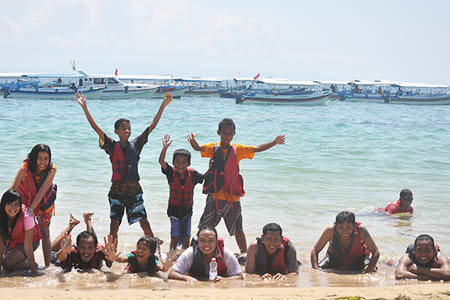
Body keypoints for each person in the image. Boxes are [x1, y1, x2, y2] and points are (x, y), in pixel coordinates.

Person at [75, 92, 171, 243]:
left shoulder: (137, 144)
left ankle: (154, 248)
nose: (127, 131)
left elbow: (152, 126)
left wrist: (163, 106)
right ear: (116, 132)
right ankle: (112, 256)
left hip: (134, 191)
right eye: (123, 128)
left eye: (128, 128)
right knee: (114, 225)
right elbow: (95, 128)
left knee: (144, 222)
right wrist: (85, 108)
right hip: (116, 192)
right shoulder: (112, 146)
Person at [188, 118, 285, 254]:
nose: (227, 135)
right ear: (218, 132)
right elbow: (198, 148)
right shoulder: (212, 148)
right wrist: (192, 141)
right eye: (224, 132)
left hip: (232, 199)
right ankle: (194, 251)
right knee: (205, 227)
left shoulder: (238, 149)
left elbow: (256, 149)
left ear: (234, 134)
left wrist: (274, 142)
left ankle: (245, 254)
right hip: (214, 197)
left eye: (230, 133)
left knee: (238, 229)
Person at [9, 144, 57, 267]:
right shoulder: (24, 170)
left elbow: (42, 192)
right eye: (40, 158)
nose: (43, 162)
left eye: (46, 158)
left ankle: (47, 266)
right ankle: (27, 262)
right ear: (34, 158)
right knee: (20, 231)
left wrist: (31, 209)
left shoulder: (52, 170)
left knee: (45, 232)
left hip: (43, 203)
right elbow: (13, 189)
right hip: (24, 201)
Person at [159, 134, 204, 251]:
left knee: (186, 237)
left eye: (184, 162)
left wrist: (212, 165)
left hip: (187, 210)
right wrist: (165, 147)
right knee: (174, 236)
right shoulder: (170, 173)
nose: (180, 164)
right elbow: (161, 161)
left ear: (188, 163)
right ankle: (172, 256)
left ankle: (185, 256)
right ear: (173, 163)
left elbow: (205, 178)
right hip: (173, 209)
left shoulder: (193, 174)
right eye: (177, 162)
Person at [310, 211, 380, 273]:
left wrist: (368, 272)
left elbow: (375, 252)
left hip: (358, 259)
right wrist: (316, 271)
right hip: (334, 259)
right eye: (341, 227)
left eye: (348, 227)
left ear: (354, 226)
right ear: (336, 226)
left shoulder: (361, 230)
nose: (344, 231)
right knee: (320, 269)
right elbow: (315, 251)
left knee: (373, 270)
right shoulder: (330, 231)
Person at [168, 225, 243, 282]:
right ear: (198, 241)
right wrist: (186, 278)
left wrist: (225, 279)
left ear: (216, 242)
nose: (206, 244)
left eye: (210, 240)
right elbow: (172, 273)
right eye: (202, 240)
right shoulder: (190, 253)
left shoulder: (225, 254)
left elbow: (239, 276)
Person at [0, 190, 42, 275]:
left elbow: (28, 246)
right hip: (13, 241)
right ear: (3, 204)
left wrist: (34, 272)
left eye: (16, 204)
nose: (13, 208)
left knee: (6, 264)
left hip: (30, 242)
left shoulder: (27, 216)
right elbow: (0, 247)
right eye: (9, 204)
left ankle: (30, 264)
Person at [102, 235, 173, 275]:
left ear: (151, 253)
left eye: (144, 249)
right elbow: (121, 259)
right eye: (139, 248)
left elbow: (163, 269)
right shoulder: (133, 257)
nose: (139, 251)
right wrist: (114, 258)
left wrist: (166, 267)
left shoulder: (153, 261)